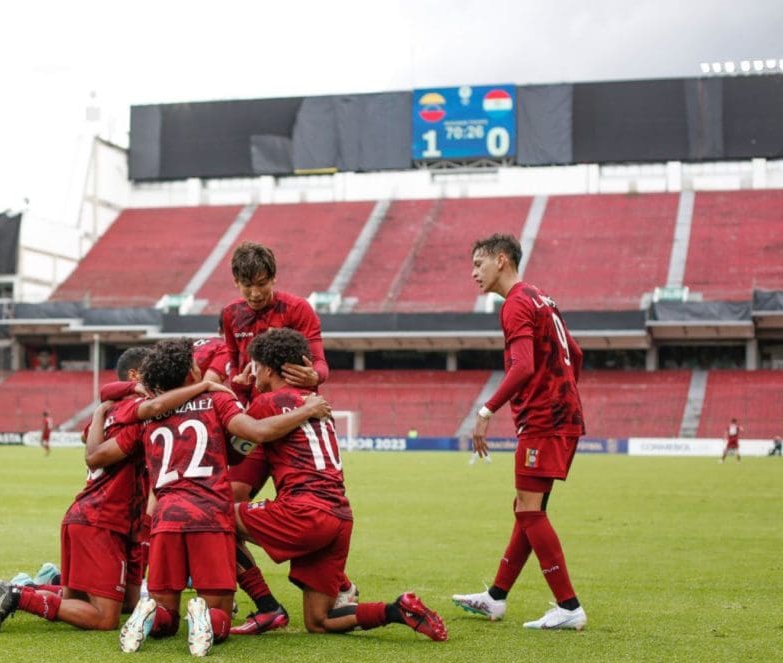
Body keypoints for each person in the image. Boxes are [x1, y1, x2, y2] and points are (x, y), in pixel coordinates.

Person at [86, 338, 331, 656]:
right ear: (191, 371)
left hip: (166, 519)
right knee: (220, 617)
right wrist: (303, 408)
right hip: (210, 516)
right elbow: (254, 433)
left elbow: (97, 457)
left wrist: (98, 415)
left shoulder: (146, 416)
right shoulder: (215, 401)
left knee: (166, 619)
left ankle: (150, 613)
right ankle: (203, 616)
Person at [0, 347, 216, 633]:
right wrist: (204, 387)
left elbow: (91, 426)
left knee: (123, 602)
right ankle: (18, 595)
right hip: (102, 519)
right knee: (104, 618)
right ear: (139, 377)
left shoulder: (115, 408)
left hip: (103, 518)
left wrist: (104, 408)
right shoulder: (140, 416)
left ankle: (16, 588)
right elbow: (97, 454)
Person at [233, 329, 447, 641]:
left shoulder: (268, 402)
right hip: (339, 518)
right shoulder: (315, 402)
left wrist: (237, 393)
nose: (252, 372)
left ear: (267, 369)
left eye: (254, 365)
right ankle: (397, 610)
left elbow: (237, 438)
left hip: (303, 512)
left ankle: (267, 607)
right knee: (319, 621)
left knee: (212, 519)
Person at [452, 233, 588, 631]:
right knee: (527, 509)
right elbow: (575, 354)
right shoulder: (540, 297)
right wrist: (562, 394)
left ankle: (569, 606)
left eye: (479, 264)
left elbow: (523, 366)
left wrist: (486, 409)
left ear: (501, 260)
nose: (474, 272)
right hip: (561, 415)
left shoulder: (515, 304)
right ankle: (495, 597)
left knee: (530, 511)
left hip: (545, 421)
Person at [220, 241, 349, 627]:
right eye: (247, 286)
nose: (255, 293)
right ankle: (267, 602)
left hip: (290, 416)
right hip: (258, 415)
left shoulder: (297, 309)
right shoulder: (230, 316)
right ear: (236, 283)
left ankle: (326, 582)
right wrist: (240, 387)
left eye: (261, 283)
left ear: (274, 278)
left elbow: (321, 364)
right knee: (229, 497)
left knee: (223, 513)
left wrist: (316, 377)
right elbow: (233, 368)